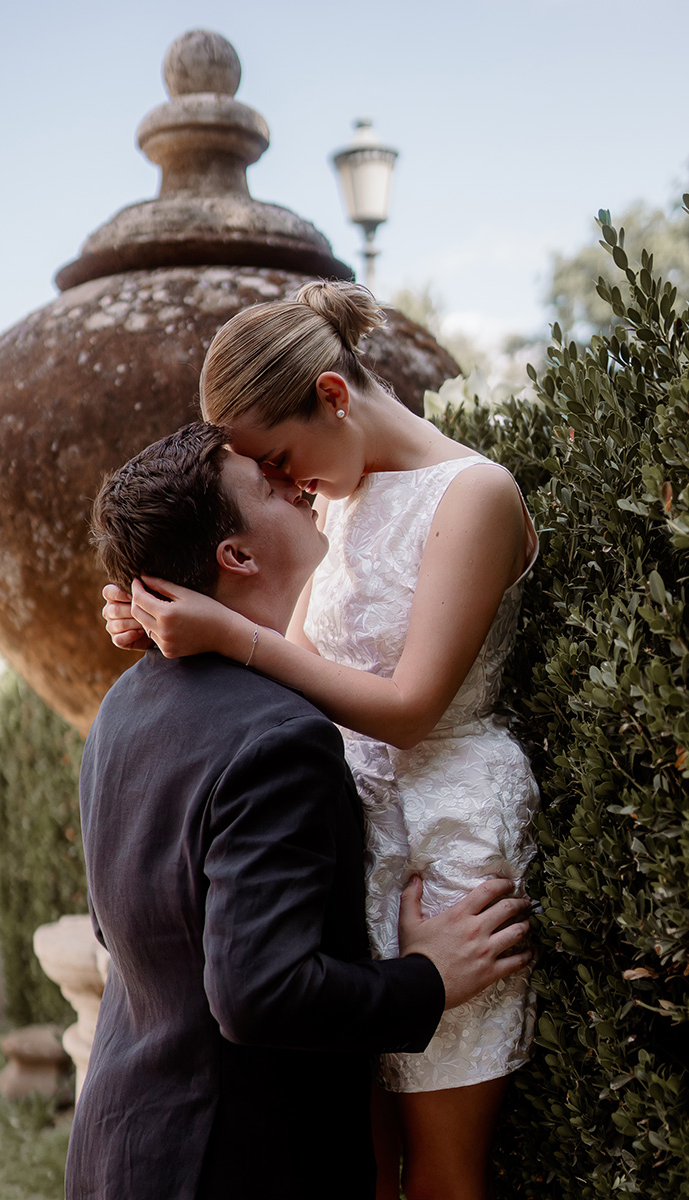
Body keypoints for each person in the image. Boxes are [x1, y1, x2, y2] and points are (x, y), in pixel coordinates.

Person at [102, 282, 540, 1200]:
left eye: (282, 460)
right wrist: (162, 617)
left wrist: (233, 637)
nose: (287, 486)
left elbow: (412, 706)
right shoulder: (334, 497)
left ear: (334, 398)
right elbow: (285, 653)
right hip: (351, 832)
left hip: (442, 835)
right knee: (357, 1164)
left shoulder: (474, 496)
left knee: (445, 1174)